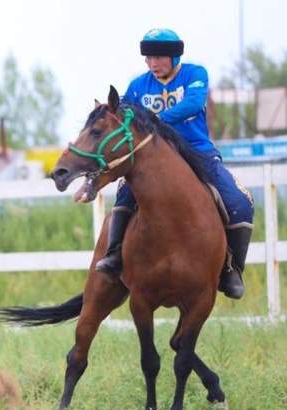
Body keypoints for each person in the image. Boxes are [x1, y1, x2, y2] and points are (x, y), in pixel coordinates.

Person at [96, 29, 254, 299]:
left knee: (239, 200)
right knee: (124, 196)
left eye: (158, 57)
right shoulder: (137, 85)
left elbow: (193, 103)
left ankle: (231, 270)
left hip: (198, 152)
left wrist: (155, 119)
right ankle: (113, 257)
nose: (153, 64)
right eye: (148, 58)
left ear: (174, 55)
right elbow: (121, 114)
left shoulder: (195, 74)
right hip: (154, 158)